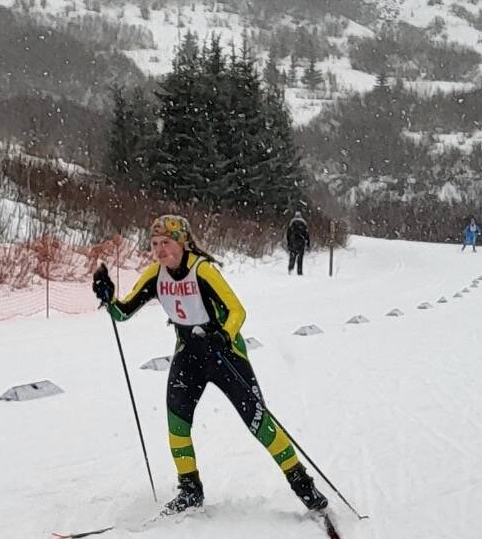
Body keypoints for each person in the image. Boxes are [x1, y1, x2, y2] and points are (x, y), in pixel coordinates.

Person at [92, 214, 328, 514]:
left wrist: (223, 335)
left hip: (224, 356)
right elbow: (123, 313)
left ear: (182, 242)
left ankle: (303, 485)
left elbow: (237, 311)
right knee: (177, 425)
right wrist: (108, 297)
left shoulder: (202, 271)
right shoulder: (155, 275)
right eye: (155, 244)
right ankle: (190, 490)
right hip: (188, 356)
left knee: (260, 424)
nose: (160, 250)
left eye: (166, 243)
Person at [285, 211, 310, 275]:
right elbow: (307, 234)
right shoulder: (304, 223)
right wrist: (308, 244)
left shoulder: (292, 222)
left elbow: (288, 234)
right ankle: (299, 271)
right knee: (300, 257)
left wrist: (288, 242)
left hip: (293, 241)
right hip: (301, 242)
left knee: (292, 256)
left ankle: (290, 269)